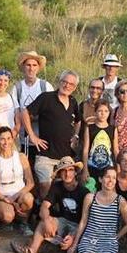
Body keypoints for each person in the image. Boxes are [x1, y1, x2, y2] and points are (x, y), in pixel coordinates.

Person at [11, 157, 89, 253]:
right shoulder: (57, 186)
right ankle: (32, 252)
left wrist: (73, 237)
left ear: (75, 172)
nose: (67, 174)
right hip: (64, 221)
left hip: (79, 226)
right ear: (59, 174)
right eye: (64, 171)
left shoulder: (83, 191)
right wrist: (47, 221)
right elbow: (44, 207)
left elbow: (85, 221)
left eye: (70, 170)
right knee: (43, 223)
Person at [23, 70, 82, 200]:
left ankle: (61, 214)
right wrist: (32, 136)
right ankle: (44, 213)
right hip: (46, 156)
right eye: (64, 82)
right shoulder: (46, 98)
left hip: (66, 157)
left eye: (71, 84)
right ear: (59, 82)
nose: (67, 86)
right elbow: (25, 113)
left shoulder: (73, 102)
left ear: (75, 87)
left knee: (70, 186)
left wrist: (76, 136)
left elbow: (78, 121)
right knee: (46, 185)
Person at [0, 127, 35, 235]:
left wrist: (15, 197)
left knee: (28, 199)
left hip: (19, 194)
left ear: (13, 139)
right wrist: (7, 199)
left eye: (9, 138)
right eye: (2, 139)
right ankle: (8, 219)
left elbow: (30, 182)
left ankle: (23, 222)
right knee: (7, 216)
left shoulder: (21, 157)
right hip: (2, 196)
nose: (6, 142)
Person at [11, 51, 54, 160]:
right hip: (24, 138)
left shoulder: (45, 86)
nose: (31, 68)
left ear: (38, 68)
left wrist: (28, 116)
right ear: (23, 67)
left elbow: (51, 111)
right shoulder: (17, 88)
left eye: (34, 65)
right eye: (28, 65)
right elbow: (17, 113)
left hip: (43, 136)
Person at [81, 102, 118, 184]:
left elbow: (116, 150)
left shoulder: (113, 129)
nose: (103, 113)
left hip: (107, 167)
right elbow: (85, 150)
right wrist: (85, 169)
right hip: (91, 166)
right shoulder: (89, 128)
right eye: (100, 111)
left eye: (106, 111)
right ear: (95, 112)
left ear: (109, 113)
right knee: (91, 189)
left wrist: (118, 168)